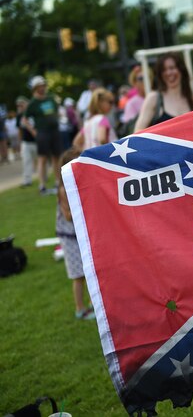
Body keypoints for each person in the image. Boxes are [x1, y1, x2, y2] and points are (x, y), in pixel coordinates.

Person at [56, 146, 96, 320]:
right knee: (78, 275)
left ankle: (91, 304)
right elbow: (67, 215)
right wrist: (85, 209)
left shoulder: (76, 186)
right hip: (70, 238)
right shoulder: (64, 190)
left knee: (88, 272)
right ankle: (80, 309)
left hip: (79, 236)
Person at [134, 52, 193, 132]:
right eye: (164, 70)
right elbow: (137, 133)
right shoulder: (153, 99)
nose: (168, 73)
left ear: (181, 70)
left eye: (172, 68)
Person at [22, 75, 62, 195]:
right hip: (43, 133)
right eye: (40, 86)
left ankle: (57, 182)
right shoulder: (33, 103)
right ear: (35, 87)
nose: (43, 87)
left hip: (54, 131)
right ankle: (42, 185)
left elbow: (57, 111)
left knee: (56, 157)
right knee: (42, 159)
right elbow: (25, 120)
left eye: (44, 85)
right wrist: (34, 131)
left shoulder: (50, 99)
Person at [119, 66, 147, 136]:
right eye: (141, 79)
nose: (146, 80)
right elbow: (132, 128)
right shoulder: (131, 103)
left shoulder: (159, 96)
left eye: (148, 76)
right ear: (135, 82)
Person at [15, 96, 36, 187]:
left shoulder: (33, 113)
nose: (20, 107)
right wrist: (20, 141)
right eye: (18, 105)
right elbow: (19, 129)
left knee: (40, 159)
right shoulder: (19, 116)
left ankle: (44, 176)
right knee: (26, 160)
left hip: (36, 141)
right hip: (26, 141)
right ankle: (27, 180)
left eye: (21, 104)